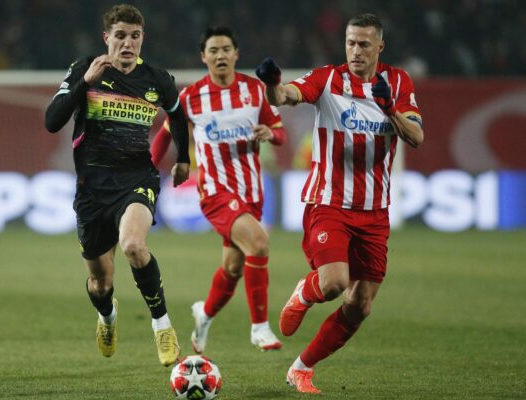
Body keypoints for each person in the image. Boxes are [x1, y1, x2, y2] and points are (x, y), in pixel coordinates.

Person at [256, 13, 424, 393]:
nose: (355, 51)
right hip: (329, 201)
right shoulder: (328, 78)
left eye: (364, 44)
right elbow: (286, 97)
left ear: (380, 47)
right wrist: (272, 85)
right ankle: (305, 291)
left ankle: (301, 367)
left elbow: (416, 137)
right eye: (350, 42)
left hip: (375, 211)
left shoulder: (398, 83)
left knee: (360, 304)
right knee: (334, 283)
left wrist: (390, 111)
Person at [44, 4, 190, 367]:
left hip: (136, 180)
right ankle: (107, 317)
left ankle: (163, 325)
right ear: (106, 38)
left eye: (135, 36)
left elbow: (177, 115)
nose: (127, 44)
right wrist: (85, 83)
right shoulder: (85, 69)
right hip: (92, 189)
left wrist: (183, 157)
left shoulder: (157, 79)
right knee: (100, 283)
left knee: (134, 245)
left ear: (142, 39)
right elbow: (52, 121)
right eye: (120, 36)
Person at [151, 26, 286, 353]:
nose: (220, 55)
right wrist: (144, 170)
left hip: (251, 193)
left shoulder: (254, 90)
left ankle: (205, 316)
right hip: (215, 192)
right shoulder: (191, 97)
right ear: (204, 56)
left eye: (226, 49)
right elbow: (166, 134)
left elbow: (279, 131)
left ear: (236, 54)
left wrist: (270, 133)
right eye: (213, 50)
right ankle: (260, 327)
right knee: (259, 243)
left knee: (233, 267)